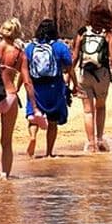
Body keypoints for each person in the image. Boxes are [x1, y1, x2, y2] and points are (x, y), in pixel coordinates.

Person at [0, 18, 40, 180]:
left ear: (2, 30)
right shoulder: (20, 54)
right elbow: (27, 82)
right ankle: (5, 175)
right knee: (7, 141)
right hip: (10, 96)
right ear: (17, 33)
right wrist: (35, 106)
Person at [24, 18, 77, 158]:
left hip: (36, 87)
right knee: (52, 121)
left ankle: (33, 137)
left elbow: (24, 70)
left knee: (34, 117)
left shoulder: (30, 48)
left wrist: (18, 87)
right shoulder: (60, 47)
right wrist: (75, 85)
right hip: (55, 87)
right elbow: (69, 68)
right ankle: (49, 152)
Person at [72, 5, 112, 153]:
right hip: (102, 76)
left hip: (84, 74)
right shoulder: (108, 34)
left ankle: (91, 143)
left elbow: (74, 56)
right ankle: (99, 139)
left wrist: (68, 77)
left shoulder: (82, 32)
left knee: (88, 111)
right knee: (100, 107)